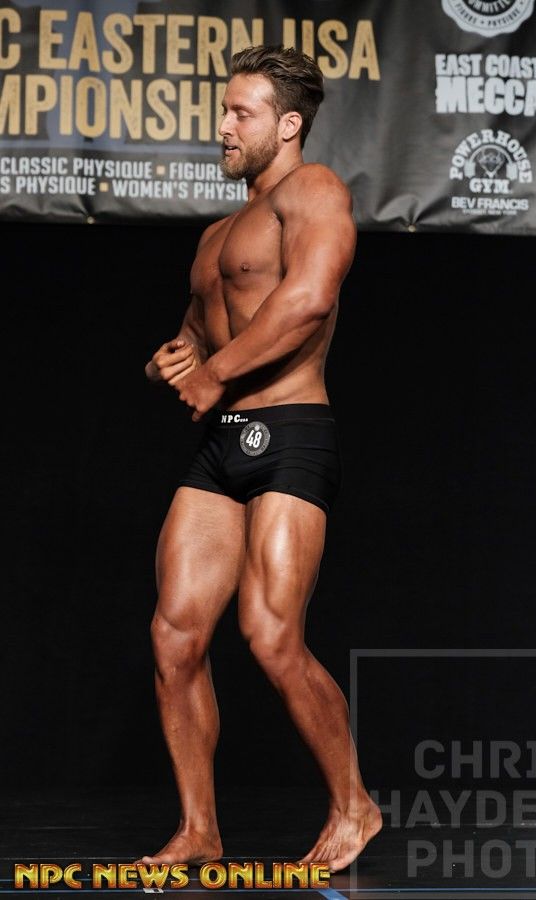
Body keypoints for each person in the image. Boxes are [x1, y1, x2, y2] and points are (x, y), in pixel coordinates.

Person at [136, 45, 382, 873]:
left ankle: (355, 804)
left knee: (270, 634)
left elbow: (308, 300)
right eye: (224, 110)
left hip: (290, 434)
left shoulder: (315, 192)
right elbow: (199, 334)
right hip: (219, 449)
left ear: (288, 124)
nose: (224, 126)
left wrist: (213, 374)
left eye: (241, 113)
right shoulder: (216, 235)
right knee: (174, 635)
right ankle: (199, 830)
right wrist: (173, 361)